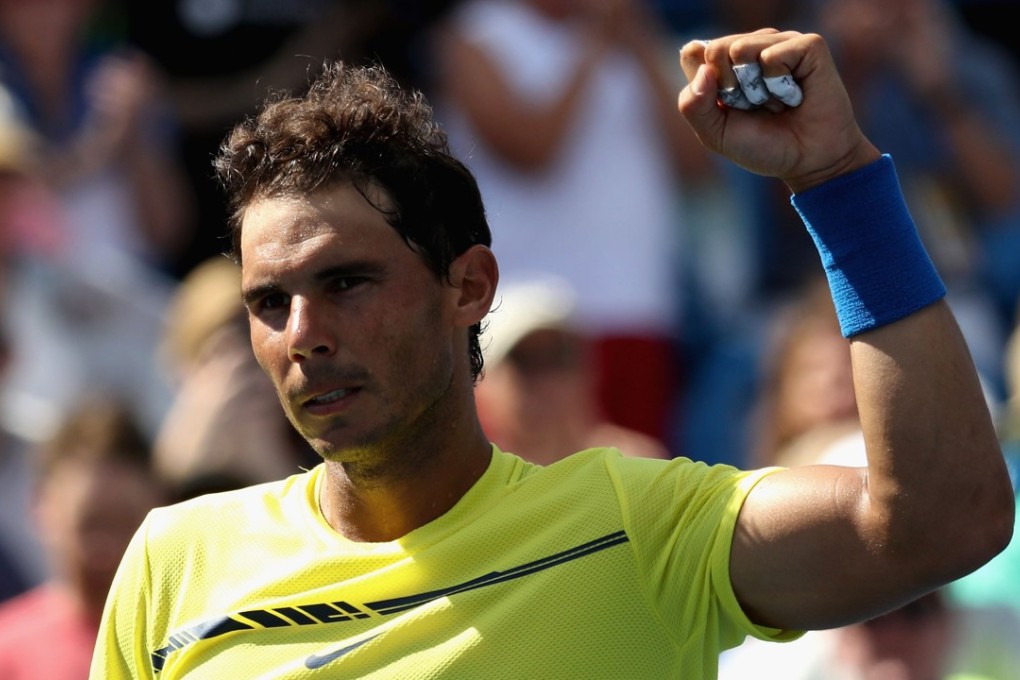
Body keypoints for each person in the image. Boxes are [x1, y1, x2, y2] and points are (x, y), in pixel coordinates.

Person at [90, 28, 1015, 678]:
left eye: (347, 283)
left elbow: (946, 521)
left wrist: (842, 182)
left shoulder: (639, 527)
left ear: (469, 287)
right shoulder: (173, 562)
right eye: (268, 301)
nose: (302, 334)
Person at [430, 0, 719, 444]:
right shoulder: (475, 35)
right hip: (522, 314)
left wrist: (639, 44)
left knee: (638, 485)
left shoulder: (632, 37)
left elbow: (698, 164)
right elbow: (532, 150)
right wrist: (594, 43)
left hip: (637, 307)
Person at [0, 393, 167, 679]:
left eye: (125, 524)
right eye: (90, 525)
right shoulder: (7, 648)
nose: (107, 549)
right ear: (42, 509)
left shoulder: (193, 633)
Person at [476, 275, 669, 464]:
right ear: (483, 380)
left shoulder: (639, 470)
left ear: (591, 370)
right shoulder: (464, 481)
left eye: (559, 356)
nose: (546, 381)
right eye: (524, 361)